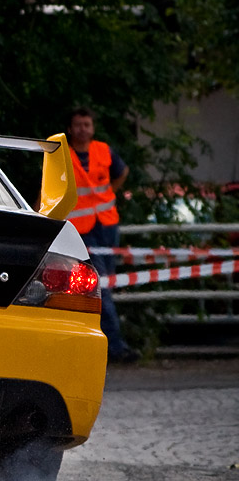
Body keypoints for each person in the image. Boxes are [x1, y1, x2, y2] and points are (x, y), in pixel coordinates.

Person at [66, 107, 138, 362]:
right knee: (101, 288)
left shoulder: (103, 150)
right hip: (82, 230)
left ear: (92, 127)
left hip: (107, 225)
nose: (82, 129)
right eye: (78, 124)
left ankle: (105, 344)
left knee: (106, 284)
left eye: (87, 124)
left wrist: (109, 193)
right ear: (71, 128)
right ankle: (114, 347)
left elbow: (123, 172)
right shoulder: (64, 153)